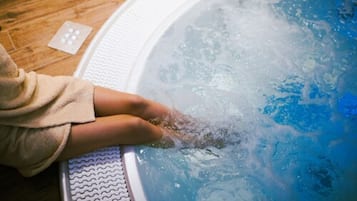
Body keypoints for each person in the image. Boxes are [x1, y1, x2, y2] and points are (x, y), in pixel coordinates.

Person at [0, 43, 186, 177]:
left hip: (30, 92)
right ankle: (198, 144)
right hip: (13, 134)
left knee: (136, 104)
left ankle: (204, 127)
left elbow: (11, 82)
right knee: (133, 126)